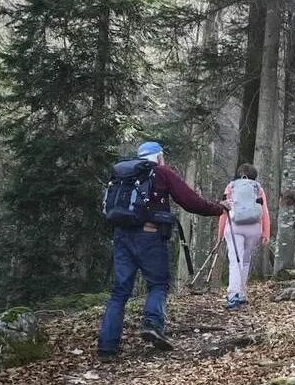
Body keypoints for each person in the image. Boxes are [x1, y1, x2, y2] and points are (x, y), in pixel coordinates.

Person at [98, 141, 229, 362]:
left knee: (119, 293)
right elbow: (190, 201)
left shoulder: (123, 175)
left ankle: (106, 348)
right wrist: (219, 208)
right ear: (158, 157)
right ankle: (152, 324)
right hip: (150, 237)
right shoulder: (161, 173)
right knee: (158, 284)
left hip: (122, 236)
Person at [218, 163, 271, 310]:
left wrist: (221, 232)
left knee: (235, 260)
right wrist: (266, 232)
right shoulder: (258, 188)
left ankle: (233, 295)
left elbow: (224, 210)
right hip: (254, 228)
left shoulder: (231, 187)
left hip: (234, 226)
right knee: (245, 260)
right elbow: (264, 211)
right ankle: (241, 294)